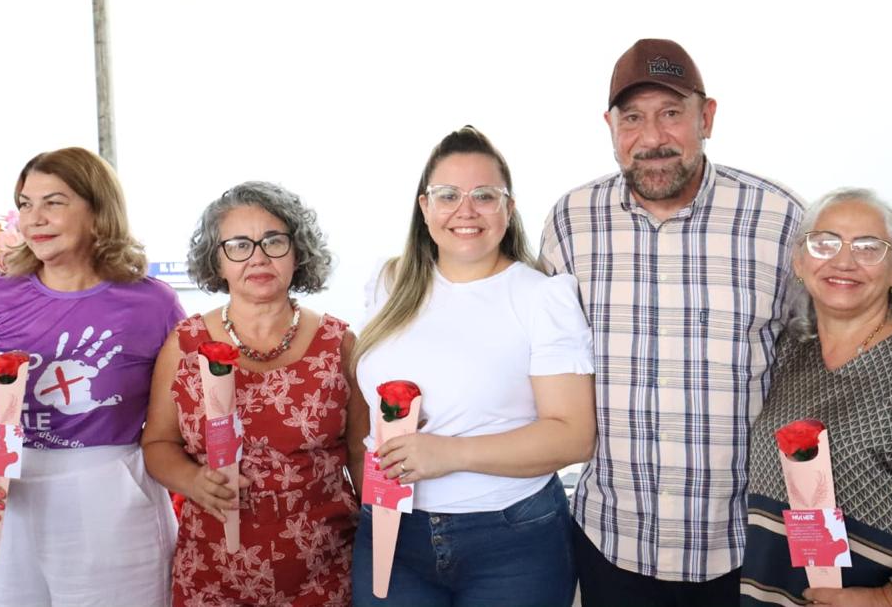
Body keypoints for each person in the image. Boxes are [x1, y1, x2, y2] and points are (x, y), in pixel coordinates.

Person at [540, 38, 804, 606]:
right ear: (609, 125)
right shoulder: (570, 222)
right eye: (632, 117)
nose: (652, 137)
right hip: (611, 540)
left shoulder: (779, 219)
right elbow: (548, 366)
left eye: (670, 114)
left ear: (706, 117)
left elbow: (815, 365)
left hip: (743, 547)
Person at [350, 125, 596, 607]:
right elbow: (362, 404)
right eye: (448, 195)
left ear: (509, 208)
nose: (466, 210)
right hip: (389, 530)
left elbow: (573, 435)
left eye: (485, 195)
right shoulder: (388, 283)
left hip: (510, 540)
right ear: (424, 208)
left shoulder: (542, 297)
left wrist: (449, 453)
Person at [0, 147, 184, 606]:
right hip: (5, 503)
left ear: (98, 212)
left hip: (112, 503)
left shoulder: (153, 305)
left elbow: (178, 423)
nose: (34, 218)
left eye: (53, 201)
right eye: (25, 204)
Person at [142, 181, 367, 606]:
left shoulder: (339, 342)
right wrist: (192, 479)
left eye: (274, 241)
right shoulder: (184, 344)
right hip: (213, 572)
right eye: (239, 245)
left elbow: (360, 453)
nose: (259, 257)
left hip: (326, 569)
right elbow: (156, 443)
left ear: (297, 252)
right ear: (218, 260)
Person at [740, 188, 892, 607]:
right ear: (800, 262)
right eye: (825, 243)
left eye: (868, 247)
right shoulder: (790, 352)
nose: (844, 261)